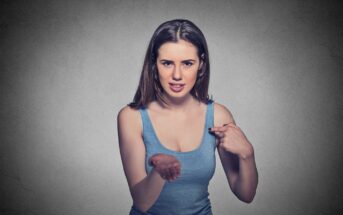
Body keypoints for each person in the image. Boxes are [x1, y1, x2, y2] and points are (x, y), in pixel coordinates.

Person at [117, 19, 258, 215]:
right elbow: (142, 202)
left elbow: (245, 194)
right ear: (153, 65)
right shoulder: (131, 117)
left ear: (201, 64)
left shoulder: (218, 116)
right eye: (167, 63)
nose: (177, 75)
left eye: (187, 63)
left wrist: (247, 154)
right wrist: (159, 172)